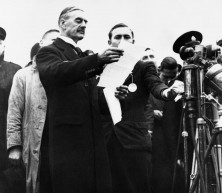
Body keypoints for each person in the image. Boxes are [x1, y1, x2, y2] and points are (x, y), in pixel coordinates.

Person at [36, 6, 124, 193]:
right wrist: (97, 60)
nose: (84, 25)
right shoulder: (48, 52)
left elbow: (91, 97)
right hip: (67, 141)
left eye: (86, 22)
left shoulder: (81, 55)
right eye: (78, 21)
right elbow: (57, 73)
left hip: (91, 140)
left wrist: (113, 97)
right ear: (62, 23)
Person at [105, 23, 184, 193]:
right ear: (109, 42)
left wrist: (166, 93)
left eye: (127, 37)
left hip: (134, 141)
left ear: (133, 41)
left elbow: (155, 85)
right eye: (117, 37)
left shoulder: (143, 67)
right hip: (106, 140)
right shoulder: (102, 66)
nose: (123, 41)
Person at [7, 29, 59, 193]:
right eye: (52, 40)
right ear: (41, 43)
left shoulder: (65, 73)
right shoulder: (23, 75)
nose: (55, 46)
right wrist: (14, 146)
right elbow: (14, 111)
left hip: (59, 142)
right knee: (37, 184)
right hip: (35, 141)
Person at [150, 57, 185, 193]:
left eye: (173, 76)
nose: (170, 80)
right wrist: (152, 112)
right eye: (166, 77)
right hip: (155, 140)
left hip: (172, 140)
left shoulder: (177, 87)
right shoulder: (151, 86)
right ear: (159, 70)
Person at [0, 26, 21, 173]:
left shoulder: (15, 71)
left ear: (4, 45)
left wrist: (15, 145)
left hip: (5, 139)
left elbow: (21, 111)